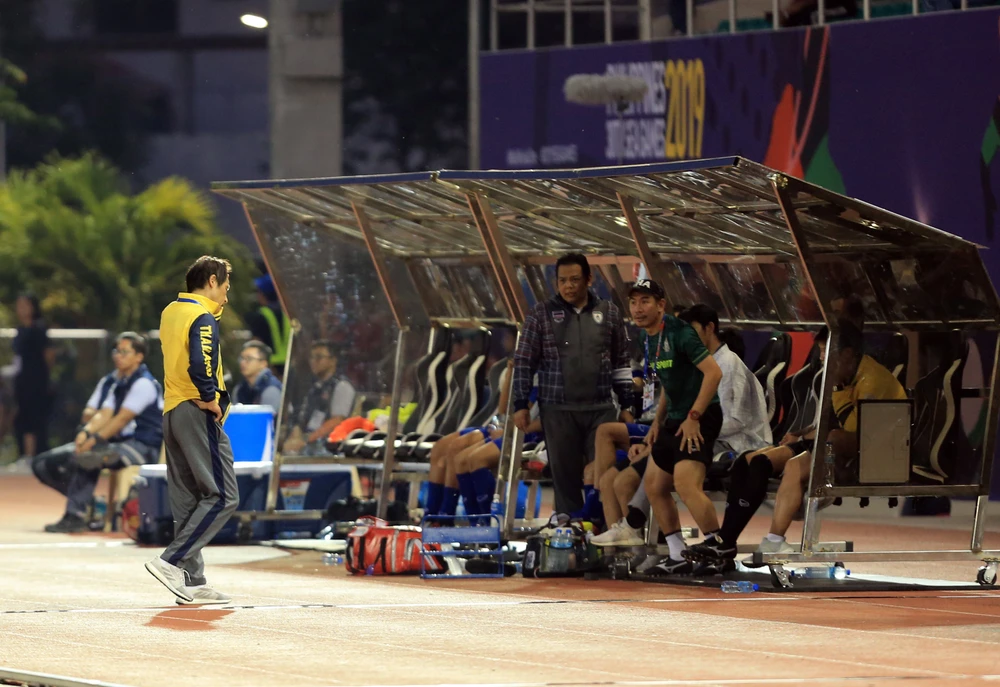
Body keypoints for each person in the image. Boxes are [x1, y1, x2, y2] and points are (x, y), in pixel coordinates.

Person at [686, 321, 906, 565]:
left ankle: (774, 540)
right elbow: (831, 422)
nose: (820, 358)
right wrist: (801, 434)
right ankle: (726, 542)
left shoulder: (871, 381)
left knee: (795, 465)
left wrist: (807, 438)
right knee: (752, 461)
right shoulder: (841, 376)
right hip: (831, 440)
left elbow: (858, 432)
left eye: (824, 351)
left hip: (871, 450)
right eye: (820, 351)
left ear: (846, 353)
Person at [590, 281, 724, 577]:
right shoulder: (648, 338)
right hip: (674, 419)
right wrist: (658, 422)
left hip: (700, 418)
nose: (638, 308)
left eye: (645, 301)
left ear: (661, 305)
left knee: (686, 485)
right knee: (653, 486)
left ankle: (719, 549)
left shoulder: (681, 333)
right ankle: (677, 554)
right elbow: (668, 384)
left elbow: (714, 374)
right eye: (633, 302)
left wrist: (694, 416)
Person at [145, 255, 238, 606]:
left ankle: (193, 581)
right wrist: (211, 398)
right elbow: (202, 361)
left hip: (172, 411)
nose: (226, 296)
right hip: (196, 410)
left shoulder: (171, 311)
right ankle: (170, 562)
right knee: (223, 496)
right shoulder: (202, 315)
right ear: (212, 281)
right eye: (225, 287)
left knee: (188, 501)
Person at [512, 253, 634, 515]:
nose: (568, 286)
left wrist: (627, 405)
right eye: (562, 280)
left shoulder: (610, 313)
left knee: (602, 472)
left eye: (575, 280)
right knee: (564, 478)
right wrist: (520, 404)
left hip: (600, 409)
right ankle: (567, 527)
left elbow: (621, 362)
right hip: (557, 410)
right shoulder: (540, 314)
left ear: (589, 279)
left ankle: (600, 525)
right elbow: (523, 362)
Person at [32, 333, 163, 533]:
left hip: (142, 447)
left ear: (139, 357)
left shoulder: (144, 384)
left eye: (124, 352)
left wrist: (94, 441)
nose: (118, 356)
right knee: (47, 463)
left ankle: (76, 515)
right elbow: (104, 413)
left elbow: (121, 419)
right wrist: (85, 433)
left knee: (89, 458)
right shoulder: (118, 383)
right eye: (116, 351)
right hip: (116, 445)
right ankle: (90, 505)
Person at [281, 340, 356, 455]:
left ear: (333, 361)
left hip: (329, 448)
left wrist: (305, 440)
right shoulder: (315, 386)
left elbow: (337, 421)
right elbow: (302, 415)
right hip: (308, 444)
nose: (313, 362)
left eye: (319, 357)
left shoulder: (342, 386)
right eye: (311, 357)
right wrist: (296, 433)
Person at [11, 293, 53, 459]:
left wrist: (44, 378)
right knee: (20, 417)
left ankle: (33, 455)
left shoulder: (39, 329)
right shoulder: (20, 329)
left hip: (36, 382)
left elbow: (48, 355)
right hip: (21, 381)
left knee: (33, 418)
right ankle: (23, 454)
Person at [244, 274, 290, 374]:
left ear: (263, 294)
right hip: (289, 365)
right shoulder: (287, 313)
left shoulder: (260, 316)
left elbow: (257, 344)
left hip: (269, 366)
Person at [233, 340, 283, 415]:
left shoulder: (271, 389)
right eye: (241, 358)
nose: (242, 362)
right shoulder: (240, 389)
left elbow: (266, 420)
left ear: (263, 363)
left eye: (249, 359)